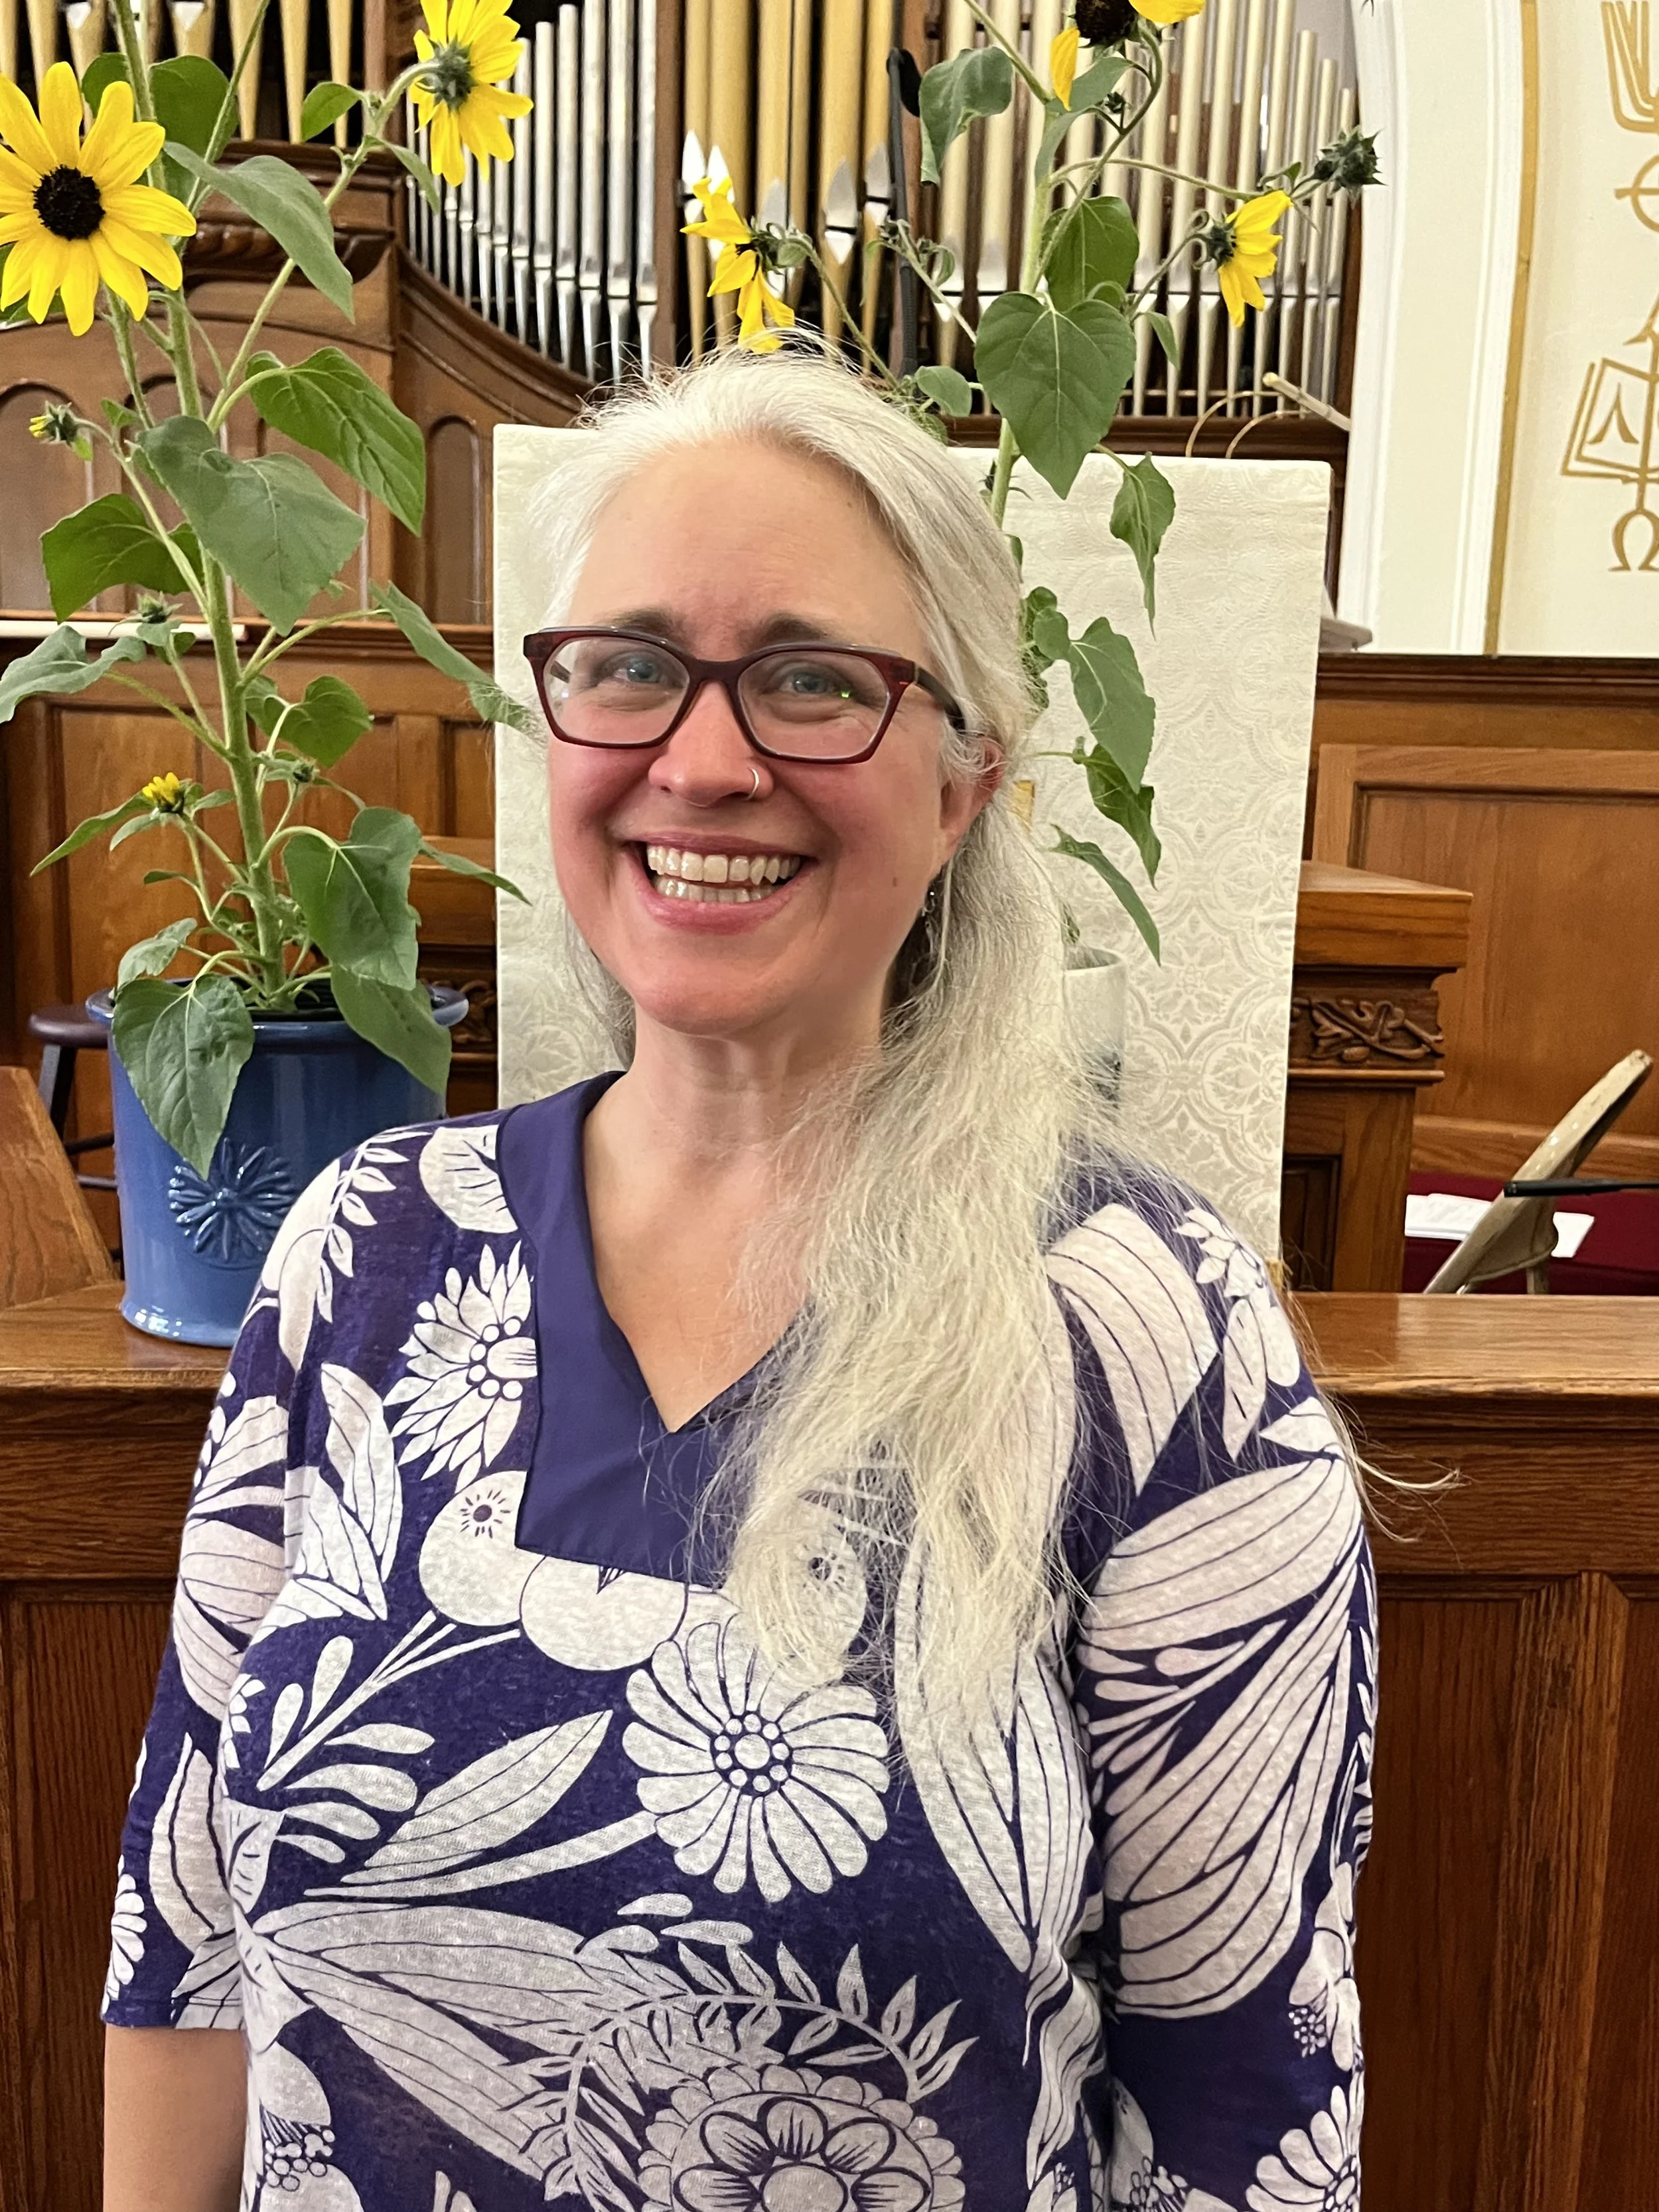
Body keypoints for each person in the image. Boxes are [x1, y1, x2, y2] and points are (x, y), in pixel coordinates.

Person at [102, 349, 1375, 2212]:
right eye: (627, 665)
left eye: (812, 681)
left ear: (966, 784)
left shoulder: (1145, 1333)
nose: (703, 763)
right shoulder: (367, 1249)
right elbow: (186, 1933)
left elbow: (1247, 2103)